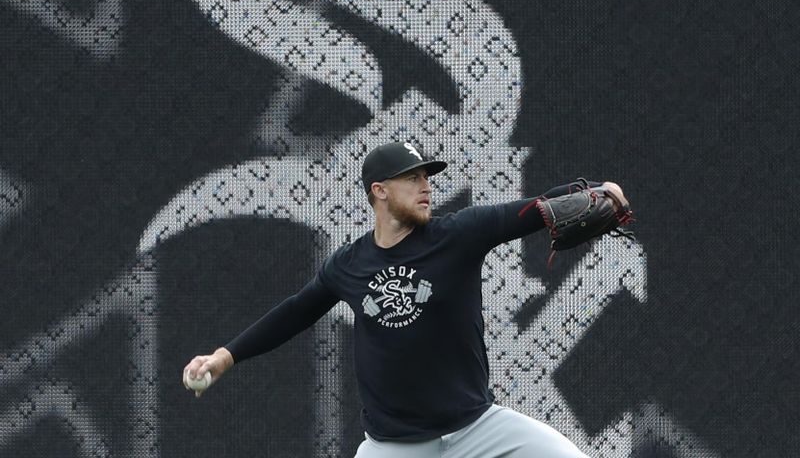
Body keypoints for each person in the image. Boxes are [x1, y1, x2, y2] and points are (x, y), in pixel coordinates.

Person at [182, 141, 631, 457]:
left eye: (426, 177)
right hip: (394, 448)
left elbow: (532, 210)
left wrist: (597, 194)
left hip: (478, 430)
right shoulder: (349, 265)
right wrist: (225, 356)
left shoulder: (457, 234)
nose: (425, 186)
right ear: (379, 190)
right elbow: (297, 310)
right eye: (412, 178)